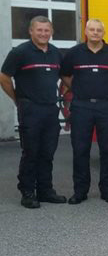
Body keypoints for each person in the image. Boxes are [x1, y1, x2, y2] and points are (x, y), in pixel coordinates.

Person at [60, 19, 108, 204]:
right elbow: (64, 74)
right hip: (81, 106)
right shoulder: (75, 53)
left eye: (99, 30)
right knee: (80, 150)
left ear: (103, 33)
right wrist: (76, 88)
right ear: (86, 31)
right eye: (92, 29)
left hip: (106, 107)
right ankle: (80, 191)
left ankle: (107, 190)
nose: (95, 33)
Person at [0, 16, 65, 208]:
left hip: (50, 109)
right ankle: (28, 191)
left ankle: (45, 190)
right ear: (31, 31)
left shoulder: (56, 53)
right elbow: (4, 77)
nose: (43, 34)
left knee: (48, 152)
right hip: (30, 109)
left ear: (51, 32)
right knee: (31, 152)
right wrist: (17, 99)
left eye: (47, 30)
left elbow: (64, 77)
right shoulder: (20, 52)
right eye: (39, 30)